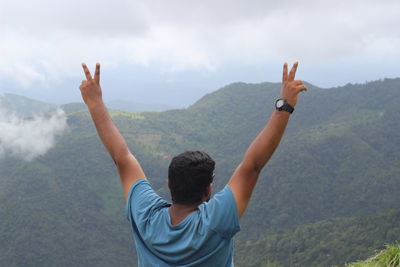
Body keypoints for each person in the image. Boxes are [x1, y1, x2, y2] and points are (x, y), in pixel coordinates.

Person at [79, 62, 307, 266]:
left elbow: (122, 157)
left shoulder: (146, 216)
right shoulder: (216, 221)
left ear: (169, 184)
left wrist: (95, 103)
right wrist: (284, 105)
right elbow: (253, 164)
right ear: (208, 189)